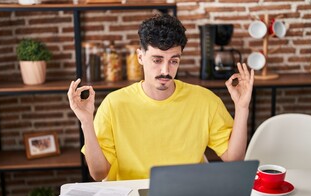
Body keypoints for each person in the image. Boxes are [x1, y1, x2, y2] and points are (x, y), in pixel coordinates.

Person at [67, 14, 254, 181]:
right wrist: (86, 122)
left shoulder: (205, 100)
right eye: (157, 60)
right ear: (140, 56)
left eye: (174, 61)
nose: (165, 70)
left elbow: (234, 159)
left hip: (187, 192)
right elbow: (98, 173)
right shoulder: (114, 104)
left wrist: (242, 107)